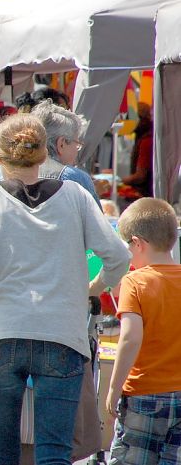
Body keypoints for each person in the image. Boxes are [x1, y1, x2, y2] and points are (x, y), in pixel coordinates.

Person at [0, 113, 130, 465]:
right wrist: (93, 289)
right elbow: (118, 256)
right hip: (62, 333)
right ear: (44, 153)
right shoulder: (76, 195)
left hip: (4, 330)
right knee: (54, 451)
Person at [104, 197, 181, 464]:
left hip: (143, 392)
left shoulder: (135, 282)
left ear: (138, 243)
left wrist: (113, 388)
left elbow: (130, 337)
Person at [0, 100, 101, 205]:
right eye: (77, 144)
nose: (77, 150)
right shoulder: (74, 178)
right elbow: (96, 226)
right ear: (61, 144)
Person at [121, 102, 153, 199]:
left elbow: (140, 176)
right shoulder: (146, 137)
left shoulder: (146, 141)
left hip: (144, 195)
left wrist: (117, 181)